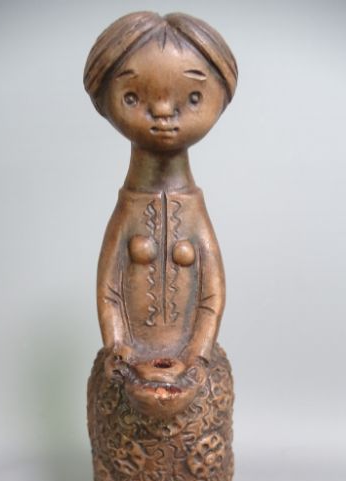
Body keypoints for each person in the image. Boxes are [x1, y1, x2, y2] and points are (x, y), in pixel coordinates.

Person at [84, 11, 237, 416]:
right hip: (131, 362)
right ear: (106, 100)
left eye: (192, 98)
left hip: (190, 362)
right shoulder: (128, 209)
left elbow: (212, 293)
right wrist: (116, 346)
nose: (164, 112)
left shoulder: (193, 210)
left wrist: (199, 354)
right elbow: (109, 289)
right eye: (133, 98)